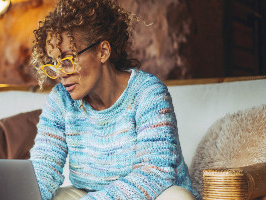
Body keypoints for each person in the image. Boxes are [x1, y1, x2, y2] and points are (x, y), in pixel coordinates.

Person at [29, 0, 200, 199]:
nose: (61, 73)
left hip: (153, 194)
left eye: (67, 60)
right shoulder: (61, 100)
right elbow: (44, 168)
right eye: (54, 63)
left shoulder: (147, 93)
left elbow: (155, 173)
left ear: (103, 51)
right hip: (89, 194)